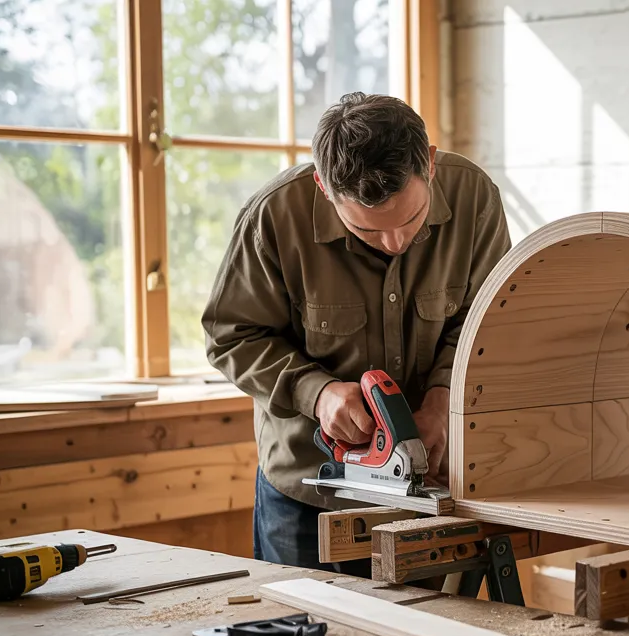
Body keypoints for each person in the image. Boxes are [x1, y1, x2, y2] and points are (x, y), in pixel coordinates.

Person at [202, 93, 511, 575]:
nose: (395, 242)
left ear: (429, 163)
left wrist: (442, 398)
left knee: (435, 622)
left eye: (411, 219)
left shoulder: (475, 198)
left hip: (433, 481)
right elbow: (231, 335)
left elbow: (487, 320)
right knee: (303, 621)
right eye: (368, 231)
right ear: (324, 187)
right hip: (310, 489)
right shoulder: (274, 216)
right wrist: (317, 393)